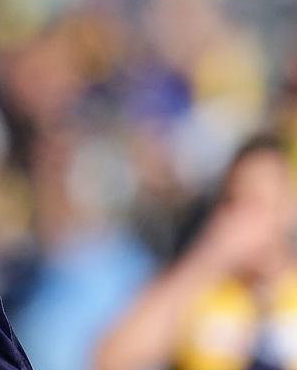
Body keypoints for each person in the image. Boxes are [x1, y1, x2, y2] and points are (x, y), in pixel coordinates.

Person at [94, 135, 297, 370]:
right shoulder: (201, 287)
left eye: (256, 202)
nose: (242, 217)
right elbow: (112, 358)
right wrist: (208, 257)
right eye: (233, 201)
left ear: (288, 207)